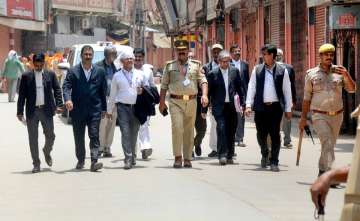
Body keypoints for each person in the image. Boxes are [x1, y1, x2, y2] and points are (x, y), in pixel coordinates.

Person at [299, 43, 355, 177]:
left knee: (328, 146)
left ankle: (322, 171)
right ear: (320, 56)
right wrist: (303, 118)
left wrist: (347, 75)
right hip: (319, 115)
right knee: (328, 143)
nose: (329, 57)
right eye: (326, 55)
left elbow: (352, 89)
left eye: (331, 54)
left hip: (337, 115)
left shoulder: (340, 72)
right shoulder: (311, 74)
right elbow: (306, 98)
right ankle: (329, 175)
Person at [159, 39, 208, 168]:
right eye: (179, 51)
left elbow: (203, 81)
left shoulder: (196, 65)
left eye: (183, 51)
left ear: (188, 51)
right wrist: (162, 102)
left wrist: (204, 95)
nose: (181, 53)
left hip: (192, 101)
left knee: (189, 130)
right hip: (175, 101)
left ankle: (187, 158)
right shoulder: (170, 66)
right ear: (176, 51)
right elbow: (164, 86)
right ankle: (177, 157)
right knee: (177, 128)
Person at [245, 44, 293, 172]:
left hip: (276, 108)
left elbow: (287, 91)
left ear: (272, 55)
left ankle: (274, 161)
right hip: (260, 108)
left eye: (265, 54)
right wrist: (248, 105)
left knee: (275, 134)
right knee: (261, 134)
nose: (263, 56)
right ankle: (265, 153)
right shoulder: (257, 70)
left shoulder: (283, 71)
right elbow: (251, 87)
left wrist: (288, 108)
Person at [63, 45, 107, 172]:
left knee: (94, 135)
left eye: (90, 54)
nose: (88, 57)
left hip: (94, 109)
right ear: (81, 56)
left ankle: (94, 161)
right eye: (85, 54)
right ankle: (81, 160)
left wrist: (104, 108)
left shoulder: (100, 71)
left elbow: (102, 91)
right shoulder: (73, 71)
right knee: (79, 136)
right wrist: (68, 99)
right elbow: (66, 86)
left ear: (93, 56)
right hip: (78, 110)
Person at [17, 53, 63, 173]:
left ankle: (46, 151)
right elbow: (22, 95)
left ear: (44, 63)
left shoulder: (50, 74)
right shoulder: (26, 76)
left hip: (47, 110)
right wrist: (19, 111)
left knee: (51, 136)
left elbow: (57, 89)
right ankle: (36, 163)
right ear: (32, 64)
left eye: (40, 64)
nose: (38, 66)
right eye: (36, 64)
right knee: (33, 138)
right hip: (32, 111)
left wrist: (59, 104)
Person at [107, 50, 146, 169]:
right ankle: (128, 158)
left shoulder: (140, 74)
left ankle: (133, 156)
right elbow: (112, 94)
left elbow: (147, 90)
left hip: (136, 108)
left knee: (134, 132)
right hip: (122, 107)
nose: (130, 60)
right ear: (122, 61)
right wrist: (109, 111)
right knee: (125, 132)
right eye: (127, 58)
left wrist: (143, 91)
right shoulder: (117, 76)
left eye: (131, 58)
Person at [207, 50, 245, 165]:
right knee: (221, 129)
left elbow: (240, 88)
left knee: (231, 130)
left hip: (232, 107)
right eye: (223, 62)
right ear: (219, 61)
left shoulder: (234, 71)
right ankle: (222, 155)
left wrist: (243, 104)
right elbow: (208, 92)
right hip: (219, 107)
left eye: (227, 61)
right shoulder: (213, 73)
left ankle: (230, 155)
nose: (225, 64)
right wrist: (204, 109)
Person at [96, 45, 118, 158]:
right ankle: (100, 146)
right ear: (106, 54)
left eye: (115, 54)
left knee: (111, 123)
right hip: (103, 98)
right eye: (112, 54)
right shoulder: (98, 66)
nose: (114, 56)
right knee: (102, 123)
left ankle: (107, 147)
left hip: (113, 99)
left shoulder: (115, 67)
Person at [133, 48, 156, 160]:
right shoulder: (128, 69)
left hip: (144, 101)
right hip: (131, 102)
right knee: (134, 127)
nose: (137, 59)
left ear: (143, 58)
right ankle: (132, 151)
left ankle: (145, 148)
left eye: (140, 57)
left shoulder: (148, 71)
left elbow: (152, 85)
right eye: (135, 57)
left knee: (144, 125)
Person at [203, 43, 223, 158]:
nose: (216, 54)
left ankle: (226, 147)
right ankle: (215, 148)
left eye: (218, 52)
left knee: (226, 125)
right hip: (213, 101)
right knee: (215, 124)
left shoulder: (228, 65)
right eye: (214, 52)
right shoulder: (206, 67)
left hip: (226, 101)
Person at [276, 49, 296, 148]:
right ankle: (278, 139)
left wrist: (293, 99)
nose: (278, 56)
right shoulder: (270, 68)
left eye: (280, 55)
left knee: (287, 119)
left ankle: (287, 140)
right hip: (275, 98)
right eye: (277, 55)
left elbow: (292, 85)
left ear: (283, 56)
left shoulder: (289, 68)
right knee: (276, 120)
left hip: (286, 97)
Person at [230, 44, 249, 147]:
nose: (237, 53)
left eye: (239, 51)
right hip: (231, 94)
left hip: (242, 95)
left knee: (241, 116)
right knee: (231, 116)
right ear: (231, 53)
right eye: (235, 51)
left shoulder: (245, 65)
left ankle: (240, 138)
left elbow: (247, 81)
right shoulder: (227, 64)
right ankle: (231, 137)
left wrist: (248, 97)